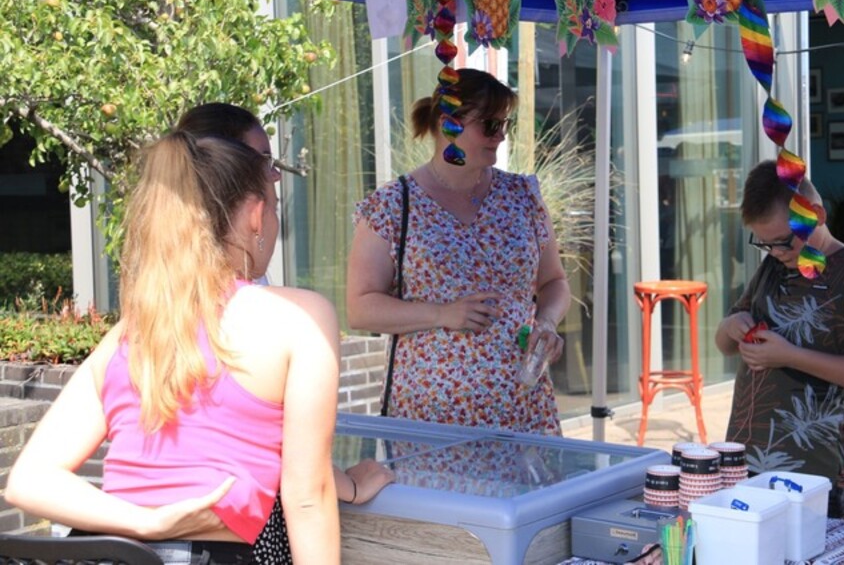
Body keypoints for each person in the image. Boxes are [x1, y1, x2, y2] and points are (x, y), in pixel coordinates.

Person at [7, 129, 342, 564]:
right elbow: (308, 497)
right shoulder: (302, 318)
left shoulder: (132, 331)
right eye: (274, 208)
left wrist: (146, 523)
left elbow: (28, 481)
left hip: (107, 553)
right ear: (256, 215)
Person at [175, 103, 394, 562]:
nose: (275, 174)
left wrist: (140, 522)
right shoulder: (290, 313)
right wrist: (346, 484)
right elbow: (294, 474)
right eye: (264, 159)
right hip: (239, 537)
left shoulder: (151, 306)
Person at [347, 68, 571, 434]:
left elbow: (554, 281)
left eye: (504, 125)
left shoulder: (523, 196)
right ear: (447, 124)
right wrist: (442, 314)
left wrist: (545, 324)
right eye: (489, 125)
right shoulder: (393, 205)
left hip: (521, 405)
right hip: (431, 413)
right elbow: (360, 308)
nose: (500, 136)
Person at [714, 160, 844, 520]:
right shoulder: (773, 266)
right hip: (747, 466)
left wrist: (790, 356)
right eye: (764, 244)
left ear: (816, 214)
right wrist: (731, 326)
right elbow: (724, 345)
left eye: (785, 241)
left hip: (818, 475)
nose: (777, 252)